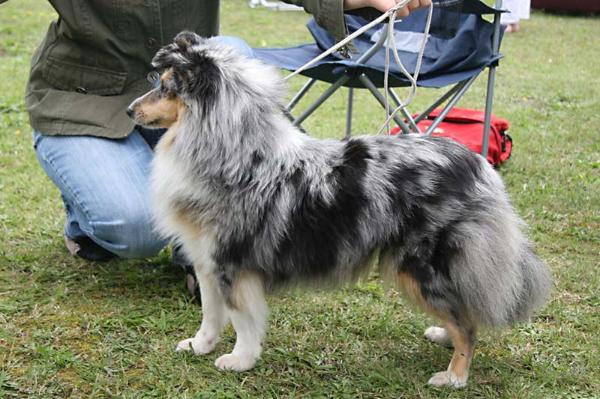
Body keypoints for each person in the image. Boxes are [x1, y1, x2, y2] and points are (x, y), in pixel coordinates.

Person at [1, 0, 430, 297]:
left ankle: (204, 239)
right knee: (134, 226)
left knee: (234, 54)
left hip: (193, 89)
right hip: (85, 98)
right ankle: (88, 212)